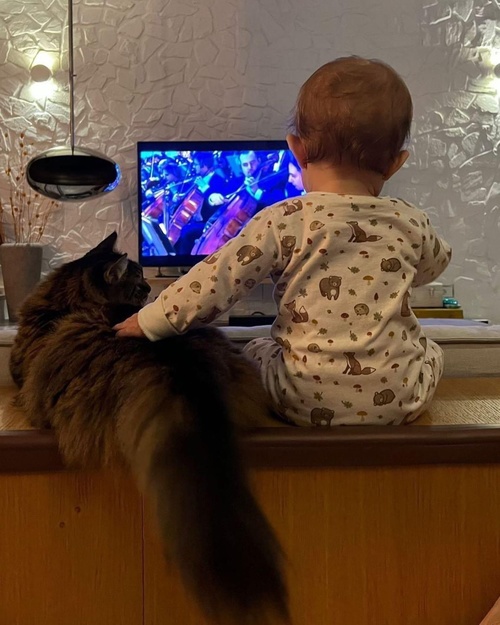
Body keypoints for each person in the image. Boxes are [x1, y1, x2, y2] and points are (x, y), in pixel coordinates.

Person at [115, 56, 452, 426]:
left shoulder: (283, 218)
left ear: (297, 149)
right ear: (396, 162)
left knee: (256, 347)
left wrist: (150, 320)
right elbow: (432, 267)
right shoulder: (410, 220)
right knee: (430, 350)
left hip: (301, 400)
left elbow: (216, 279)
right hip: (399, 399)